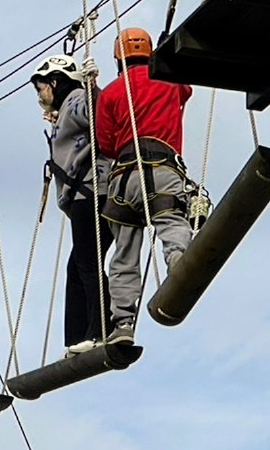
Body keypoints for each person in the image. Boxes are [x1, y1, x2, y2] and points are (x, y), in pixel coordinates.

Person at [95, 27, 194, 347]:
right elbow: (186, 91)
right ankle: (178, 259)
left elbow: (106, 145)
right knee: (172, 221)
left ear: (118, 59)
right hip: (162, 168)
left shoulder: (111, 93)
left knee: (124, 252)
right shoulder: (169, 83)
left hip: (124, 178)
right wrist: (166, 60)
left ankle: (123, 322)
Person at [31, 55, 113, 355]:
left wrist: (92, 87)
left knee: (87, 263)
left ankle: (100, 331)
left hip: (90, 193)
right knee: (77, 266)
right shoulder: (68, 107)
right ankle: (79, 337)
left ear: (55, 82)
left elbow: (99, 114)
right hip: (87, 193)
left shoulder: (77, 99)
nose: (40, 95)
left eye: (41, 87)